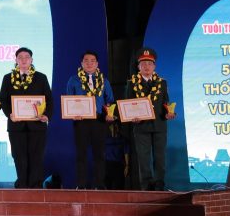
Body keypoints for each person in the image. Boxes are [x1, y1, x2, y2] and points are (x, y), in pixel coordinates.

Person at [0, 46, 52, 189]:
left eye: (27, 57)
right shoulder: (8, 78)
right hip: (16, 125)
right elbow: (3, 100)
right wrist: (10, 114)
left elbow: (49, 99)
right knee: (19, 156)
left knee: (36, 156)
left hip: (37, 125)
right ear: (16, 60)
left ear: (31, 60)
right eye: (20, 57)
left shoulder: (41, 77)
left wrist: (47, 115)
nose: (23, 60)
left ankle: (35, 185)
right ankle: (22, 184)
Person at [64, 50, 115, 189]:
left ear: (97, 64)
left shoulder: (104, 81)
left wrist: (109, 113)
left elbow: (110, 100)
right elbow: (68, 100)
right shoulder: (73, 80)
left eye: (92, 61)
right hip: (81, 121)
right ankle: (81, 185)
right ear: (81, 63)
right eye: (86, 60)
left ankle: (99, 184)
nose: (89, 63)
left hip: (99, 121)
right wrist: (72, 113)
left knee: (100, 154)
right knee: (81, 154)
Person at [125, 47, 175, 191]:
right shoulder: (132, 83)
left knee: (160, 158)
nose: (146, 66)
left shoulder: (162, 83)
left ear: (154, 66)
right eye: (143, 64)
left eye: (149, 63)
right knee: (143, 159)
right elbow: (128, 104)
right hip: (140, 127)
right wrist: (131, 117)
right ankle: (146, 187)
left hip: (159, 125)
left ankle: (159, 186)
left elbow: (166, 102)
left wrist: (169, 113)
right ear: (138, 67)